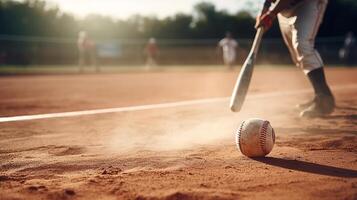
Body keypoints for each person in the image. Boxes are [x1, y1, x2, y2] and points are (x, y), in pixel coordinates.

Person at [256, 0, 335, 117]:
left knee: (302, 46)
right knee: (297, 55)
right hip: (283, 10)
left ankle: (324, 99)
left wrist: (270, 14)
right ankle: (318, 95)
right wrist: (264, 10)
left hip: (308, 3)